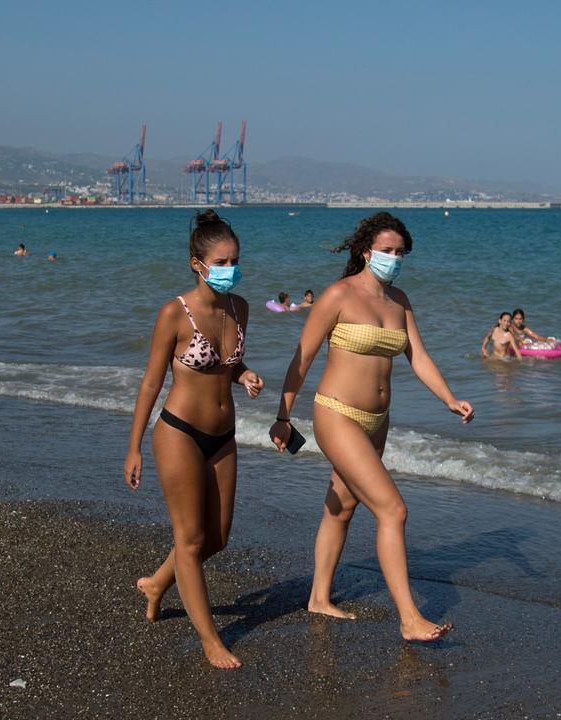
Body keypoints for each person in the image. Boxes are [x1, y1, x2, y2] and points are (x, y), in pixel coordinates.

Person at [268, 212, 473, 642]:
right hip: (336, 412)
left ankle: (319, 598)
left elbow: (418, 356)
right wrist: (283, 415)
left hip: (377, 421)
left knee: (342, 507)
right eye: (386, 251)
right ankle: (410, 618)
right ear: (366, 252)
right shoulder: (338, 295)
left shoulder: (400, 301)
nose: (394, 259)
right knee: (393, 509)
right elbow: (302, 359)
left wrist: (450, 399)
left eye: (400, 253)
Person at [123, 210, 264, 670]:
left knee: (218, 538)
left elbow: (227, 363)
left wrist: (245, 375)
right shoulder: (174, 313)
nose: (231, 268)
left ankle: (157, 584)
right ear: (196, 264)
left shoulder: (238, 308)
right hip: (179, 432)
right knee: (189, 538)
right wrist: (134, 446)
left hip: (224, 435)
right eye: (222, 261)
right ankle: (210, 640)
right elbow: (150, 383)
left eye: (235, 260)